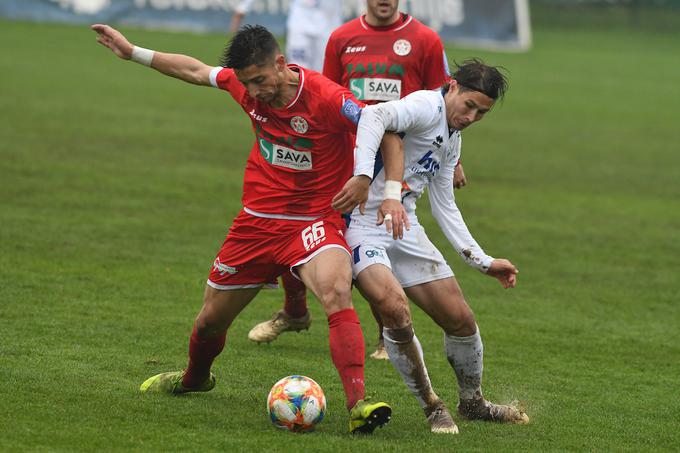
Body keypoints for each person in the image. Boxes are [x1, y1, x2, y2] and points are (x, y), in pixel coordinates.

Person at [91, 22, 408, 434]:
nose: (253, 91)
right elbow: (193, 70)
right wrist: (133, 51)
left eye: (259, 80)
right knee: (209, 323)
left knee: (335, 290)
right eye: (246, 83)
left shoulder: (327, 97)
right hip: (255, 224)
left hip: (313, 220)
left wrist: (377, 185)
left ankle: (357, 404)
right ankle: (195, 379)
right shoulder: (244, 86)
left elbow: (383, 129)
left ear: (281, 64)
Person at [247, 0, 467, 360]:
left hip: (396, 159)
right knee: (302, 227)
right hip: (344, 156)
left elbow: (448, 104)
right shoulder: (342, 37)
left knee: (372, 241)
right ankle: (295, 310)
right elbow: (322, 94)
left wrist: (452, 160)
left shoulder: (425, 39)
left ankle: (385, 332)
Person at [338, 59, 530, 434]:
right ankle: (432, 405)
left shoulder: (453, 136)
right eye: (469, 105)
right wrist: (364, 176)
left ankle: (473, 402)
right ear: (452, 86)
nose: (472, 116)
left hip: (403, 226)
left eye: (482, 112)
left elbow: (445, 204)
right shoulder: (425, 106)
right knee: (395, 309)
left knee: (461, 319)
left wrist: (483, 261)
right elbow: (374, 115)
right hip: (361, 225)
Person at [229, 0, 342, 72]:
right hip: (299, 25)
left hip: (328, 26)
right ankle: (298, 108)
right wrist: (244, 7)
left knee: (324, 71)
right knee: (297, 69)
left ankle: (320, 108)